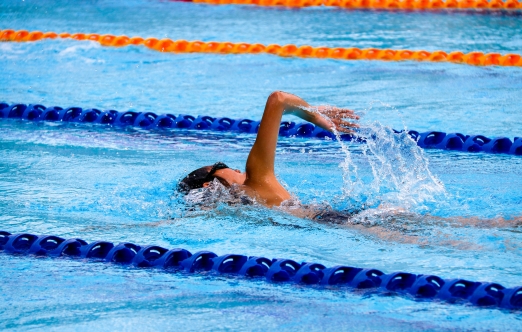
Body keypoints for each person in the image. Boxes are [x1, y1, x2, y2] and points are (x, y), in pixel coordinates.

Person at [178, 91, 359, 211]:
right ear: (209, 185)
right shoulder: (255, 178)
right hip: (342, 222)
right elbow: (278, 99)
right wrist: (314, 115)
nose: (238, 170)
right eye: (222, 166)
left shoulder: (243, 209)